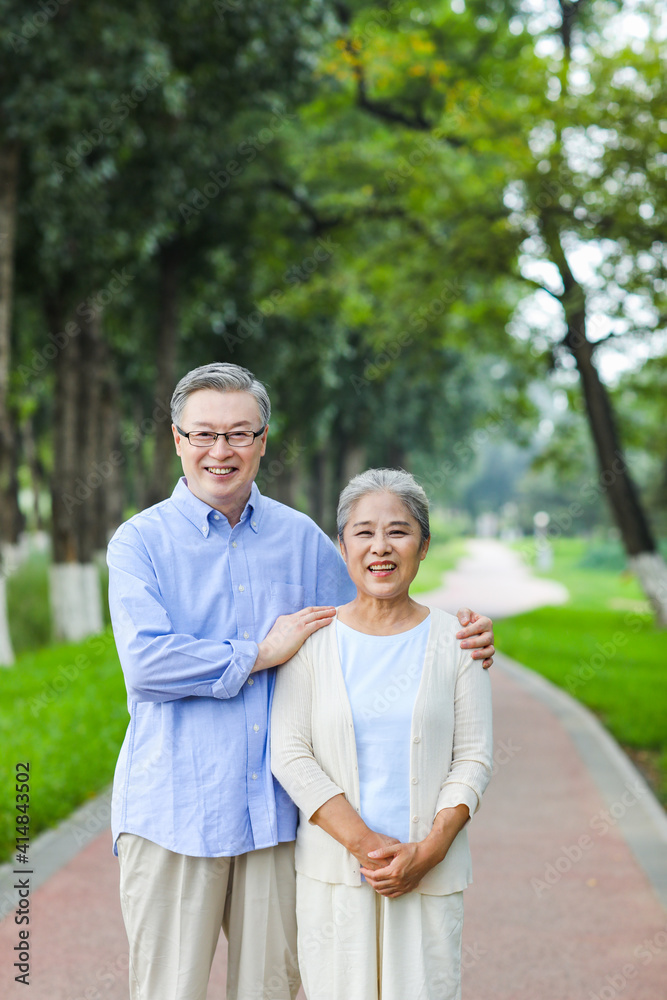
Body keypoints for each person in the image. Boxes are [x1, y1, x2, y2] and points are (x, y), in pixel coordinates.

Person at [107, 363, 496, 1000]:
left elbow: (378, 618)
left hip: (275, 820)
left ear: (264, 441)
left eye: (240, 433)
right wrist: (261, 651)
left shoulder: (302, 541)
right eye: (203, 434)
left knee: (273, 991)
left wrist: (463, 639)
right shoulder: (140, 543)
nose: (221, 451)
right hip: (174, 810)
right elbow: (149, 666)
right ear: (177, 439)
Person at [271, 467, 493, 1000]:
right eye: (363, 532)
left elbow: (475, 758)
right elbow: (290, 755)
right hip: (335, 878)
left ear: (423, 545)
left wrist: (430, 850)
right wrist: (370, 848)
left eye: (398, 531)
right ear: (342, 545)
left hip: (430, 875)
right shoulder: (312, 641)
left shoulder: (458, 640)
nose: (380, 547)